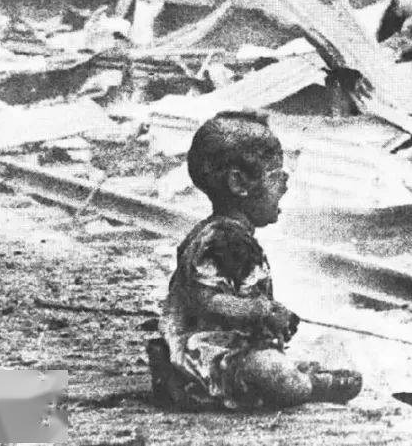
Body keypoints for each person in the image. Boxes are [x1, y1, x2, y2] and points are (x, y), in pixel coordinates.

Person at [148, 110, 363, 410]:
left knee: (271, 362)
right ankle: (312, 385)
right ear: (238, 183)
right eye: (276, 176)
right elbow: (206, 299)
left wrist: (270, 320)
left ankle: (299, 376)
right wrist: (259, 311)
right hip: (206, 354)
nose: (285, 185)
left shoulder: (229, 236)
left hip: (223, 348)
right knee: (273, 372)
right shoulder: (222, 239)